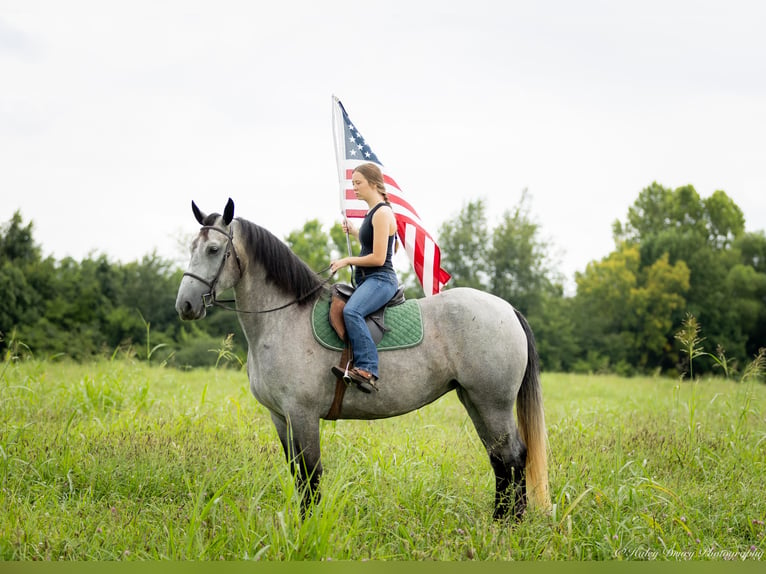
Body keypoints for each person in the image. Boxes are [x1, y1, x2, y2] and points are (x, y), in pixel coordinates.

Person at [330, 163, 399, 392]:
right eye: (352, 184)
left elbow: (380, 258)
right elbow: (382, 244)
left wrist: (347, 260)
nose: (355, 188)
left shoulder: (382, 212)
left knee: (352, 311)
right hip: (369, 279)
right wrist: (356, 231)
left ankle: (368, 369)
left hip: (381, 279)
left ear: (373, 183)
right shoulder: (374, 213)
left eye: (358, 183)